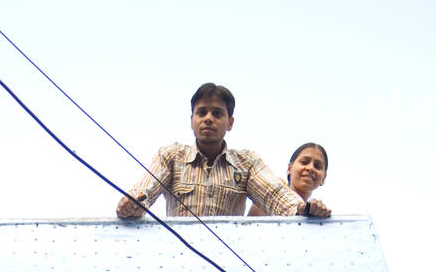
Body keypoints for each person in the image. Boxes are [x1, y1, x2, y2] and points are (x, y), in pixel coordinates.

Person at [116, 84, 323, 221]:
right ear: (191, 120)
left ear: (230, 123)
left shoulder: (247, 163)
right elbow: (145, 189)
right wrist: (132, 203)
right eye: (201, 112)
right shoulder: (171, 156)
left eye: (217, 113)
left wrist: (304, 209)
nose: (208, 118)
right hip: (177, 261)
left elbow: (275, 195)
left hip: (227, 270)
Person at [249, 143, 330, 218]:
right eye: (304, 162)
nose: (310, 168)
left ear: (323, 178)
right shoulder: (268, 196)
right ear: (289, 168)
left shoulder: (315, 212)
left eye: (317, 166)